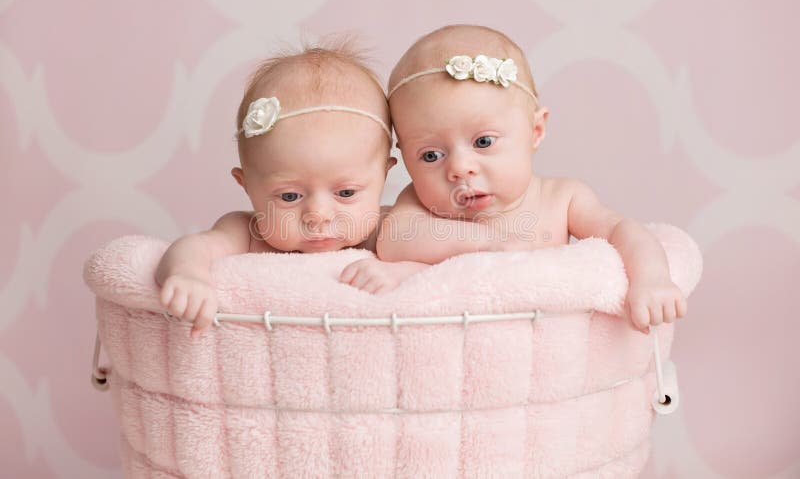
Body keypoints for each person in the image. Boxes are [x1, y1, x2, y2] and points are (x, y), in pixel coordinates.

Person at [341, 25, 686, 333]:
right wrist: (489, 244)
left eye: (483, 142)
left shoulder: (562, 199)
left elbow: (621, 230)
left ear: (535, 130)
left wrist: (651, 278)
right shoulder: (418, 203)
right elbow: (394, 241)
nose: (460, 168)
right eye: (431, 155)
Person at [156, 40, 397, 337]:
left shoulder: (388, 232)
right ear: (246, 185)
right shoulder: (247, 233)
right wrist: (188, 275)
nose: (318, 215)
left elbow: (446, 267)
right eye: (290, 196)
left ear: (384, 175)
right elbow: (193, 247)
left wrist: (401, 271)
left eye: (346, 193)